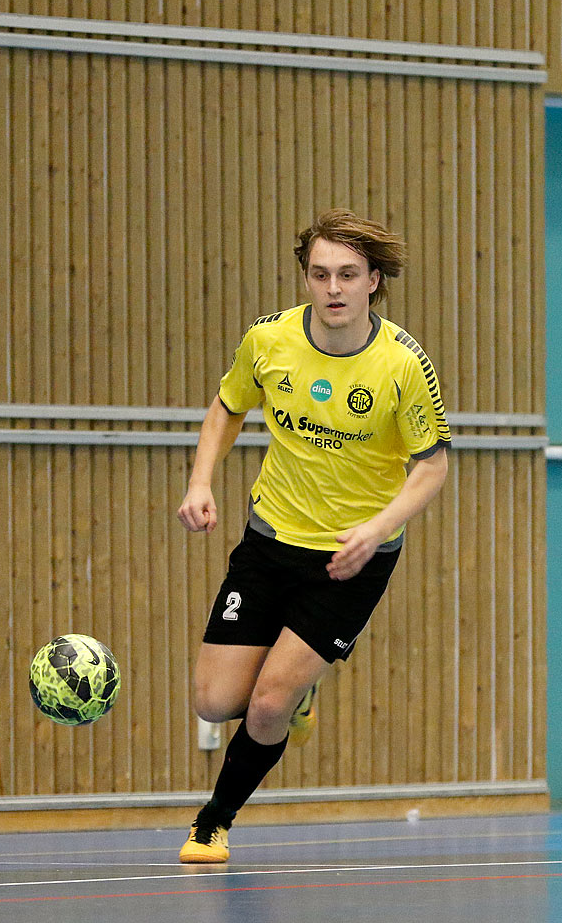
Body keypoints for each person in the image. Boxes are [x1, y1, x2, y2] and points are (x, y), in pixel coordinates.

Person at [175, 208, 452, 864]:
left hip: (352, 558)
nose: (333, 288)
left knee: (268, 704)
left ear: (373, 282)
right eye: (321, 273)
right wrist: (200, 482)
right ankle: (299, 689)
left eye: (348, 275)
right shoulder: (268, 341)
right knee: (215, 703)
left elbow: (433, 464)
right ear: (306, 278)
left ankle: (213, 821)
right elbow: (228, 407)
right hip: (270, 539)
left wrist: (379, 526)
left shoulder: (402, 364)